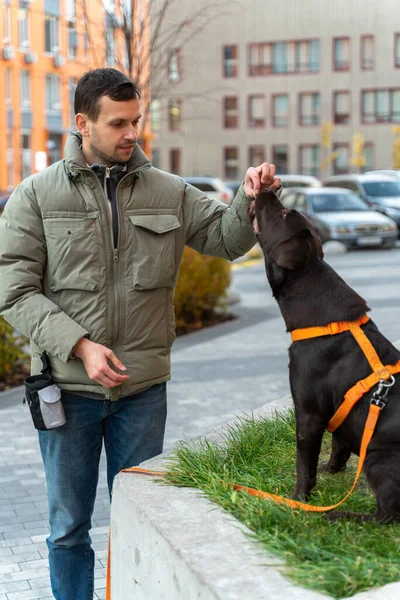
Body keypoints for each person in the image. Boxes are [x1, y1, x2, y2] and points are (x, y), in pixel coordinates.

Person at [0, 68, 281, 600]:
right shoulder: (35, 196)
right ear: (83, 123)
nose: (132, 133)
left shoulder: (169, 191)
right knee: (68, 532)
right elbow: (12, 291)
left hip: (142, 394)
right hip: (69, 394)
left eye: (136, 121)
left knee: (144, 522)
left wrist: (250, 199)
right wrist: (79, 345)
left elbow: (226, 238)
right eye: (118, 123)